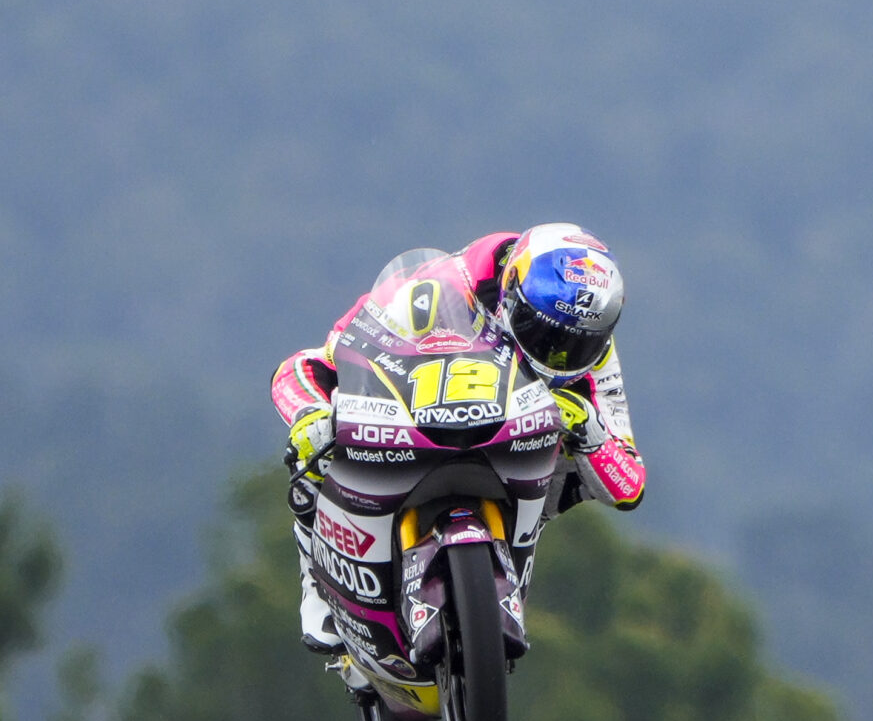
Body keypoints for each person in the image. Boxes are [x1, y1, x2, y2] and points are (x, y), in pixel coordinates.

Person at [270, 223, 648, 652]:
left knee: (583, 457)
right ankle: (315, 579)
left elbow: (628, 485)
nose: (556, 355)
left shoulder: (597, 351)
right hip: (423, 401)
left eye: (575, 346)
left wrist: (589, 431)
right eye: (541, 333)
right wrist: (313, 414)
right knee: (314, 441)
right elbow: (316, 362)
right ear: (511, 295)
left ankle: (514, 544)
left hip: (520, 444)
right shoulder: (441, 286)